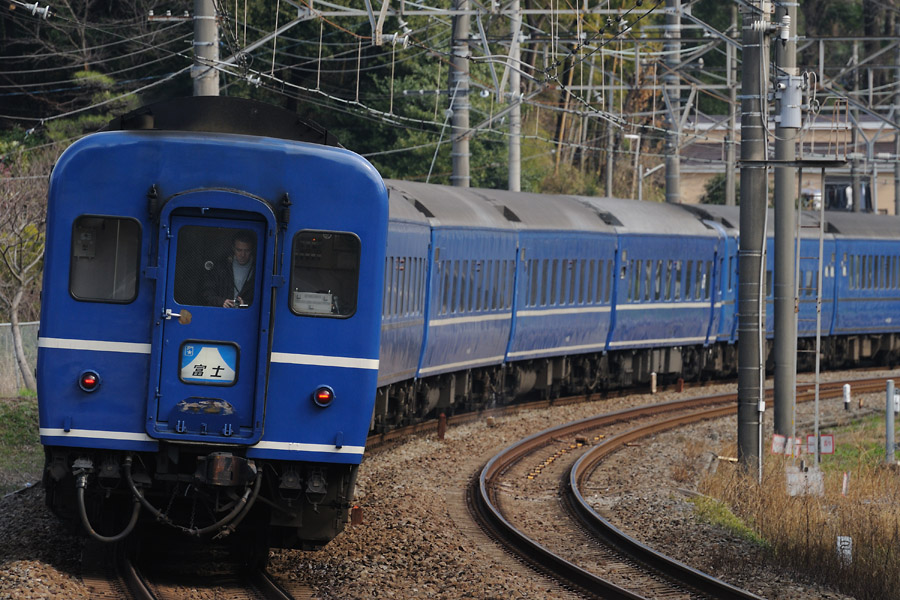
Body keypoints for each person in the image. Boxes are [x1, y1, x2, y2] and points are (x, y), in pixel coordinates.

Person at [202, 231, 256, 308]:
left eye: (247, 251)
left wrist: (245, 304)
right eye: (239, 250)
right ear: (233, 248)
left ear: (252, 250)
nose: (242, 255)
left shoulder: (258, 269)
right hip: (222, 312)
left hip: (247, 313)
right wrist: (222, 302)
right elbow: (207, 293)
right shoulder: (221, 267)